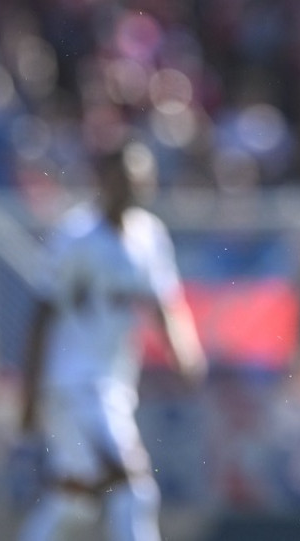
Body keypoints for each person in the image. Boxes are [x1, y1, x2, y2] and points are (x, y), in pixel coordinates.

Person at [18, 142, 207, 541]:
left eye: (141, 180)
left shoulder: (149, 235)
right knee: (134, 488)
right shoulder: (75, 237)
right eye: (124, 179)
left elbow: (165, 304)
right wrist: (30, 394)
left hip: (113, 382)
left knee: (77, 496)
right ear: (102, 180)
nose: (133, 188)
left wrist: (185, 354)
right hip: (72, 384)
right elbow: (41, 316)